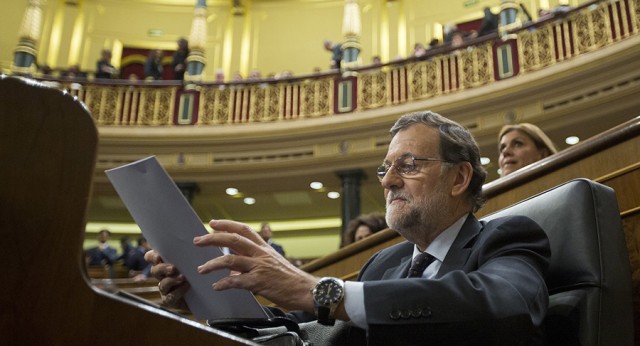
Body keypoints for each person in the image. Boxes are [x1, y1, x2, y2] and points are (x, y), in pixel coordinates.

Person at [146, 111, 550, 345]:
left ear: (459, 178)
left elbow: (503, 304)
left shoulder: (507, 237)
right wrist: (209, 301)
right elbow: (316, 332)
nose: (388, 180)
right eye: (385, 168)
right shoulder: (383, 265)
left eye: (408, 166)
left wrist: (315, 290)